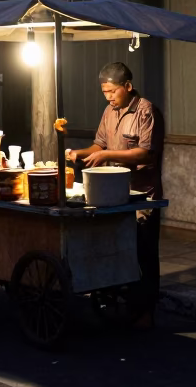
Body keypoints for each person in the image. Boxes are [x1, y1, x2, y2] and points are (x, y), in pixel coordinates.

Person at [67, 61, 164, 328]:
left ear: (128, 87)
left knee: (143, 253)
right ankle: (121, 305)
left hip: (142, 195)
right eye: (105, 93)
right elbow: (99, 143)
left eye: (112, 92)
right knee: (119, 250)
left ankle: (145, 312)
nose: (108, 98)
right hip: (113, 193)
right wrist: (79, 152)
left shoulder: (146, 112)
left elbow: (145, 152)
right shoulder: (110, 112)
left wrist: (106, 155)